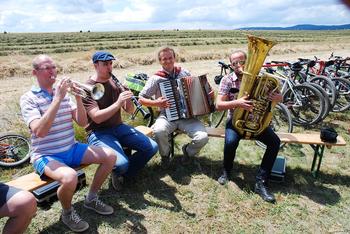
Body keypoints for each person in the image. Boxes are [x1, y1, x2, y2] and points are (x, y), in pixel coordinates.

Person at [20, 54, 117, 232]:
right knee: (70, 177)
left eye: (54, 67)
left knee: (110, 156)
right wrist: (57, 98)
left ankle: (91, 199)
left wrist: (78, 98)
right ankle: (67, 213)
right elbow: (39, 131)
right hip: (46, 154)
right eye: (46, 68)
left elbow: (82, 122)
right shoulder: (29, 98)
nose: (52, 71)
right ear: (35, 73)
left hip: (71, 148)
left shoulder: (65, 95)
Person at [83, 51, 158, 190]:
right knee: (122, 163)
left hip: (118, 127)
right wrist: (118, 103)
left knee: (152, 147)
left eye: (111, 63)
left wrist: (127, 97)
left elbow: (129, 110)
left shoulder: (113, 82)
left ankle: (124, 173)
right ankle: (120, 169)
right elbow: (97, 118)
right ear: (95, 65)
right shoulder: (89, 87)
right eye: (105, 64)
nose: (109, 67)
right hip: (98, 133)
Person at [216, 50, 282, 203]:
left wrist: (279, 98)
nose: (239, 65)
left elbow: (279, 97)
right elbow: (219, 104)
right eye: (234, 63)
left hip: (257, 122)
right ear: (231, 65)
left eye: (241, 61)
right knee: (231, 142)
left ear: (248, 61)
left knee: (274, 143)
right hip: (236, 121)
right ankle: (226, 172)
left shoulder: (264, 79)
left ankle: (261, 182)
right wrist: (237, 103)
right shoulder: (227, 80)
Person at [139, 46, 209, 166]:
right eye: (164, 59)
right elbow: (141, 99)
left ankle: (188, 152)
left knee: (203, 137)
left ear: (174, 58)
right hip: (166, 116)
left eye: (170, 57)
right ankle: (165, 156)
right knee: (159, 130)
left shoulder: (184, 72)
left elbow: (195, 90)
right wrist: (156, 103)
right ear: (160, 61)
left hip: (188, 117)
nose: (168, 61)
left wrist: (207, 93)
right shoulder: (156, 78)